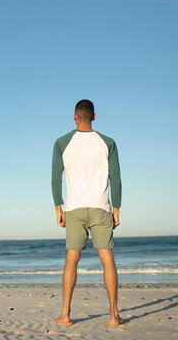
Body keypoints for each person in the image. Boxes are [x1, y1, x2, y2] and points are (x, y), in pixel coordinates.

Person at [51, 99, 124, 326]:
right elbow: (116, 179)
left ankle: (65, 315)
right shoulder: (108, 142)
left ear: (74, 116)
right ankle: (113, 316)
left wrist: (58, 209)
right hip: (101, 206)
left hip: (74, 208)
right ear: (94, 116)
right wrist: (117, 210)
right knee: (107, 258)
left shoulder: (62, 142)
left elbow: (55, 179)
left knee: (72, 259)